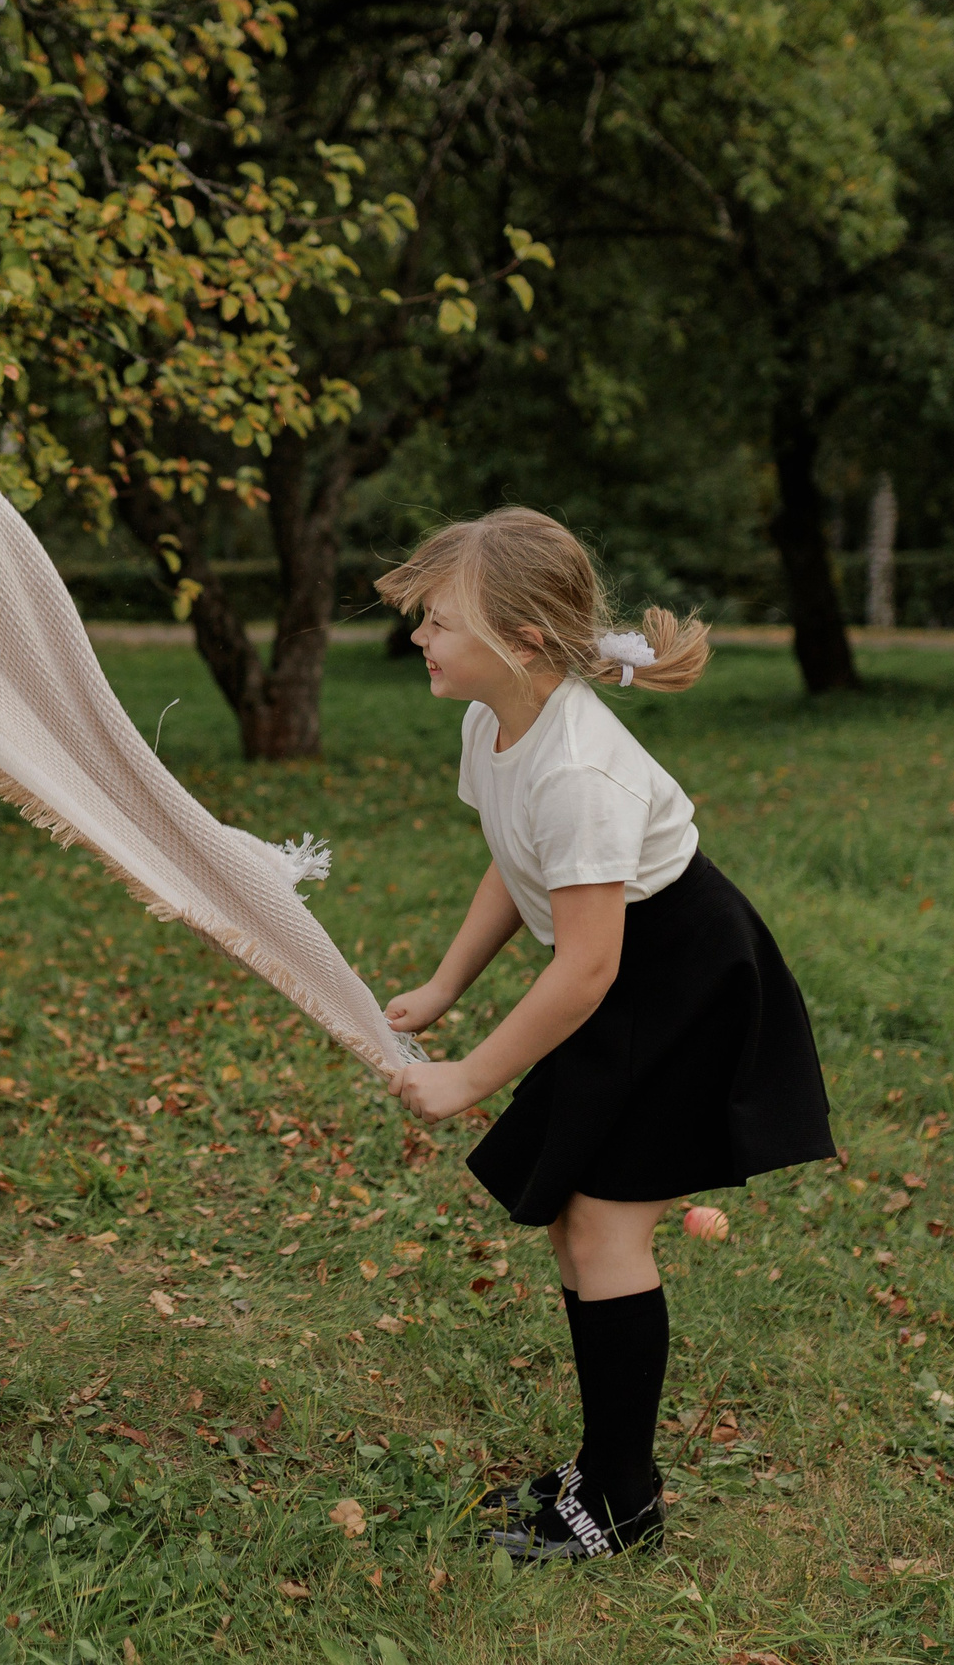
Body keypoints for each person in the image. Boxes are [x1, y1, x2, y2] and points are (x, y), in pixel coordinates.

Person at [374, 507, 836, 1562]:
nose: (417, 638)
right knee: (568, 1219)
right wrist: (447, 985)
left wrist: (470, 1077)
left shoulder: (580, 768)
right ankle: (603, 1469)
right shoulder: (494, 723)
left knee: (602, 1228)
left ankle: (621, 1505)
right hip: (627, 976)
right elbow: (511, 857)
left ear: (522, 639)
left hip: (684, 981)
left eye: (436, 621)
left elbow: (586, 967)